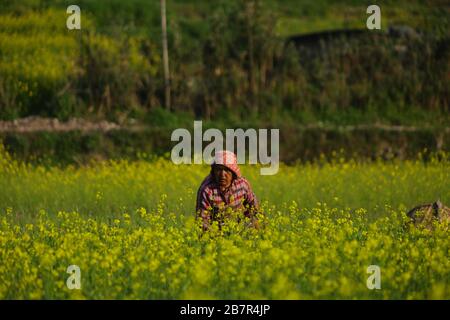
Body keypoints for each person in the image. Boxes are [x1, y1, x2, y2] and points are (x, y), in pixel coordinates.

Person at [196, 150, 260, 231]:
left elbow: (255, 209)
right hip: (215, 234)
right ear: (214, 171)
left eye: (227, 170)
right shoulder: (207, 190)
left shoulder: (242, 185)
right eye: (219, 169)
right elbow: (202, 221)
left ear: (233, 172)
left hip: (239, 229)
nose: (222, 174)